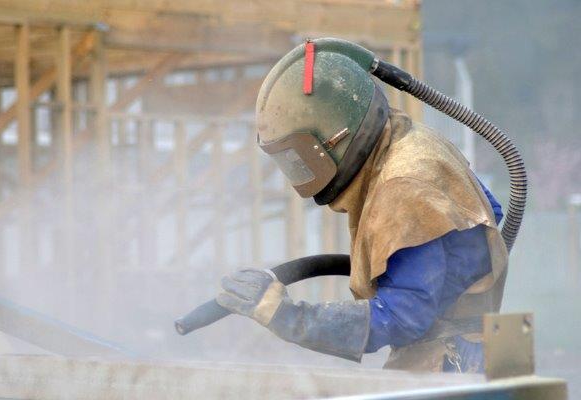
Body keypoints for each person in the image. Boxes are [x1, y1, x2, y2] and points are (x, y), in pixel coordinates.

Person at [215, 40, 508, 373]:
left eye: (300, 159)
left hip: (450, 363)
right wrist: (442, 272)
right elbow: (488, 211)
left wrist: (288, 317)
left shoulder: (402, 184)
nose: (300, 173)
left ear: (334, 138)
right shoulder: (412, 142)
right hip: (475, 350)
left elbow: (404, 316)